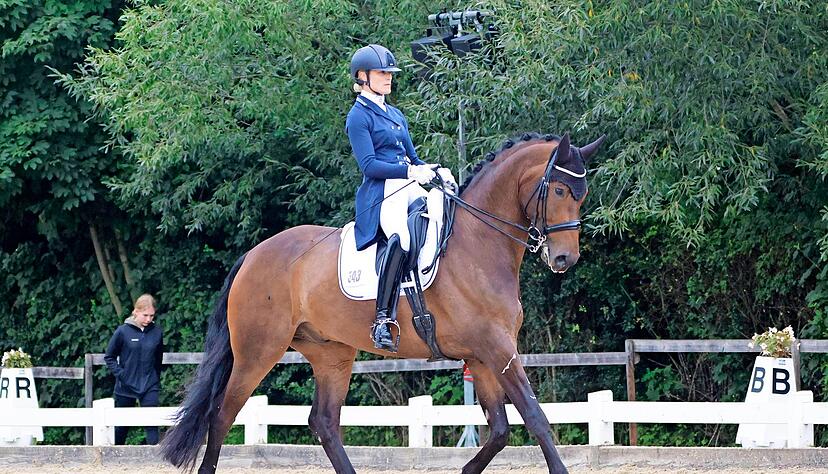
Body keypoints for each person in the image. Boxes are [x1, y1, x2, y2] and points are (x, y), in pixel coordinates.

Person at [345, 44, 455, 352]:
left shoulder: (394, 114)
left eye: (390, 73)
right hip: (381, 194)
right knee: (402, 237)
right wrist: (409, 173)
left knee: (443, 214)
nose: (389, 78)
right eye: (382, 73)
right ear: (362, 77)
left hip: (408, 186)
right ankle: (383, 319)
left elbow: (413, 157)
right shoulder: (358, 117)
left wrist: (432, 170)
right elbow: (368, 165)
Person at [104, 293, 164, 445]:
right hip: (125, 385)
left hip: (149, 384)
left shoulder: (157, 332)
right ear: (135, 311)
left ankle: (154, 460)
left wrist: (155, 378)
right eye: (145, 315)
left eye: (151, 316)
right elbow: (109, 357)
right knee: (121, 427)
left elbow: (158, 359)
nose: (148, 319)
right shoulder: (123, 331)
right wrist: (121, 374)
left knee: (151, 424)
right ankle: (115, 457)